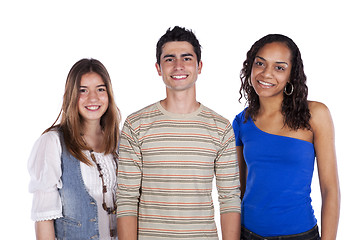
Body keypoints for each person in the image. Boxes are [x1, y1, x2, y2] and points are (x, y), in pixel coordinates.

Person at [116, 26, 241, 240]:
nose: (178, 66)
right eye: (169, 59)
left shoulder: (220, 127)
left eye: (186, 58)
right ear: (158, 68)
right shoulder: (135, 125)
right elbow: (127, 199)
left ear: (199, 66)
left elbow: (229, 198)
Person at [233, 34, 340, 239]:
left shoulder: (315, 115)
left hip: (300, 235)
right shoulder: (241, 122)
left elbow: (329, 189)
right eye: (260, 63)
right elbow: (238, 191)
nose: (266, 74)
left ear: (292, 74)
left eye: (279, 67)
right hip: (248, 234)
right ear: (250, 67)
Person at [28, 58, 121, 240]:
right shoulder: (53, 143)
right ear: (71, 95)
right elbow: (44, 220)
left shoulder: (119, 142)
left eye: (100, 89)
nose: (93, 98)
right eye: (83, 90)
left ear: (108, 94)